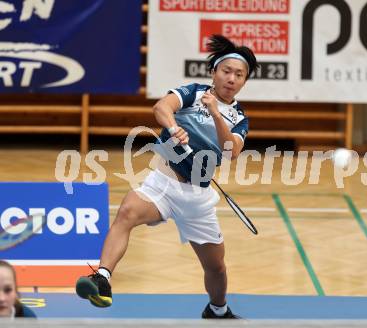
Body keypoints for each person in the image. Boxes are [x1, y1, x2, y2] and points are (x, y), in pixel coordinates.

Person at [76, 34, 258, 319]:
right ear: (214, 72)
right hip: (162, 183)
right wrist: (173, 127)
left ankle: (218, 309)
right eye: (226, 71)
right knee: (127, 212)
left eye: (239, 74)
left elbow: (230, 151)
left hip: (197, 198)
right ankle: (102, 278)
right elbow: (161, 107)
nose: (231, 78)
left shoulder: (239, 118)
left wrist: (215, 115)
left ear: (244, 81)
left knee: (216, 267)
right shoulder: (194, 93)